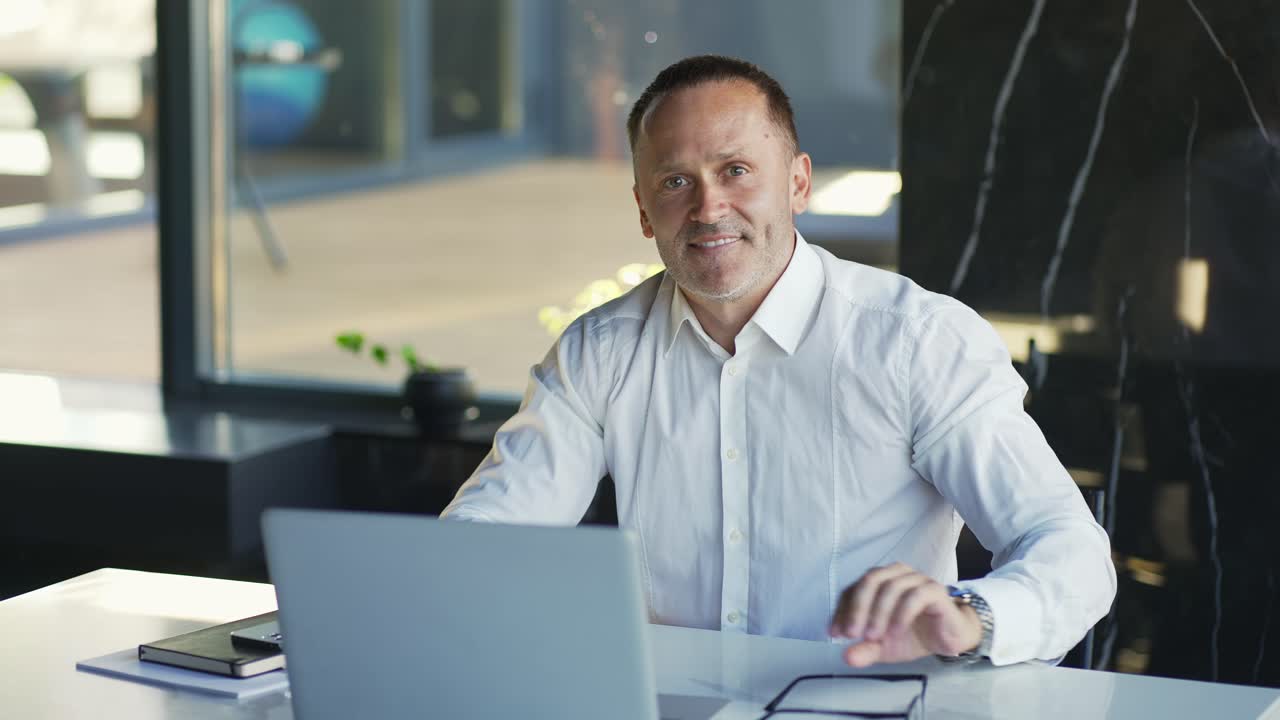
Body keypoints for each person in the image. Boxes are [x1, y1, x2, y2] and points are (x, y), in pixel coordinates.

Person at [442, 55, 1116, 667]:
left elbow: (1071, 551)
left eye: (736, 171)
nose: (709, 208)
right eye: (676, 181)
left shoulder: (914, 341)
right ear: (645, 211)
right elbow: (480, 546)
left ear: (798, 183)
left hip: (869, 708)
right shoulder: (600, 353)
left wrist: (970, 617)